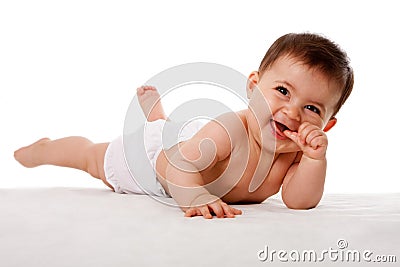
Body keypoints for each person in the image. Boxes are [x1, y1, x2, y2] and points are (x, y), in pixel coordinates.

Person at [14, 33, 354, 219]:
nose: (292, 113)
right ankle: (44, 149)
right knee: (91, 158)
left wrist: (314, 159)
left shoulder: (295, 154)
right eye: (281, 91)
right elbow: (169, 164)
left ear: (328, 124)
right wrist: (194, 195)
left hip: (190, 145)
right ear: (253, 86)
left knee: (179, 133)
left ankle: (161, 117)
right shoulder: (231, 130)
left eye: (311, 108)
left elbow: (299, 202)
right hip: (155, 161)